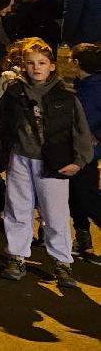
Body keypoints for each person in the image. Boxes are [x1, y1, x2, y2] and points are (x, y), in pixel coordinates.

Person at [0, 37, 94, 288]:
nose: (36, 67)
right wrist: (1, 153)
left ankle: (62, 262)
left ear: (51, 66)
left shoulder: (66, 95)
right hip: (20, 157)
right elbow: (1, 122)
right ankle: (17, 256)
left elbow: (80, 129)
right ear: (24, 65)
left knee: (55, 213)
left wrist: (80, 160)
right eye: (30, 63)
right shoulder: (14, 91)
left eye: (41, 63)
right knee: (17, 208)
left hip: (54, 162)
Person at [69, 43, 101, 264]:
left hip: (87, 154)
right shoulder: (82, 84)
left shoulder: (94, 88)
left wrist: (96, 135)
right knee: (76, 195)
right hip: (76, 151)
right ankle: (82, 239)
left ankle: (83, 239)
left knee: (86, 196)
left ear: (76, 63)